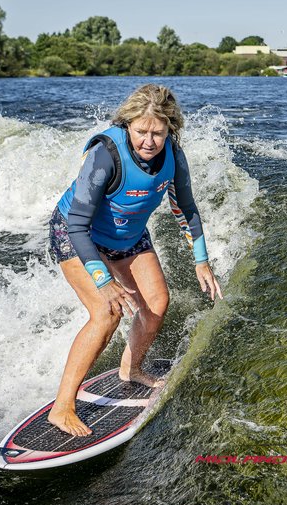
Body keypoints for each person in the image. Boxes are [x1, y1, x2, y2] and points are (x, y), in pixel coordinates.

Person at [47, 84, 222, 437]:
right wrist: (103, 279)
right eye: (142, 131)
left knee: (157, 302)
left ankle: (131, 369)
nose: (149, 141)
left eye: (158, 133)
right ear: (128, 125)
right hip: (76, 233)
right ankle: (62, 406)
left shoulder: (173, 154)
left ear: (169, 130)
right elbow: (78, 224)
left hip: (127, 236)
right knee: (107, 312)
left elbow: (185, 208)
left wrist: (201, 260)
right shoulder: (105, 154)